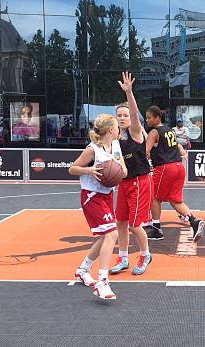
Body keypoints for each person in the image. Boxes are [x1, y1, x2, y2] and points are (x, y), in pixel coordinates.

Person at [68, 114, 127, 300]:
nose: (120, 129)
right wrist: (89, 170)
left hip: (108, 195)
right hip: (91, 196)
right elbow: (71, 168)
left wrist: (119, 169)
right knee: (112, 234)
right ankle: (102, 281)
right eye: (117, 126)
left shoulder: (116, 145)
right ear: (111, 130)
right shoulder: (92, 150)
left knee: (105, 237)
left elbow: (123, 171)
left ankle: (83, 269)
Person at [109, 72, 153, 276]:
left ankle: (145, 255)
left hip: (140, 182)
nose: (123, 117)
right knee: (121, 222)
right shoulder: (114, 138)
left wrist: (129, 93)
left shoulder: (136, 133)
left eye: (125, 115)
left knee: (136, 225)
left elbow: (135, 114)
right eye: (119, 115)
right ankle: (123, 257)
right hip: (124, 183)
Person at [143, 105, 205, 242]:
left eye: (149, 117)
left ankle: (156, 228)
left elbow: (145, 152)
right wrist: (182, 152)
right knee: (175, 200)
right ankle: (194, 221)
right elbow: (177, 145)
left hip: (165, 168)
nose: (147, 120)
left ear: (157, 118)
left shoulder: (154, 133)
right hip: (178, 166)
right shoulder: (169, 130)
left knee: (154, 197)